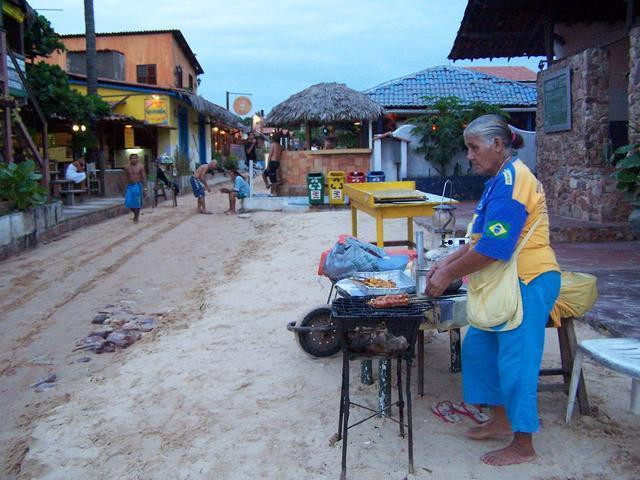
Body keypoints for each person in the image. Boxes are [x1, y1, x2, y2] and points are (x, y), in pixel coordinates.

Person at [425, 114, 560, 466]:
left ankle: (523, 443)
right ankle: (500, 419)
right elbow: (476, 241)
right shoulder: (497, 182)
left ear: (498, 145)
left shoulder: (514, 181)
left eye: (474, 147)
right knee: (480, 349)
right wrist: (444, 265)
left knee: (517, 361)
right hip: (504, 279)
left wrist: (448, 274)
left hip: (527, 279)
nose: (469, 155)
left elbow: (494, 249)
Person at [123, 154, 147, 223]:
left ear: (137, 159)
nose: (133, 160)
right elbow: (125, 178)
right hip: (130, 186)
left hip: (137, 185)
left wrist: (145, 188)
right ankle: (135, 214)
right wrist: (123, 188)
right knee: (128, 202)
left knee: (137, 202)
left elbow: (144, 177)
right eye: (132, 158)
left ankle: (136, 217)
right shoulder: (127, 167)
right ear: (129, 159)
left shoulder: (141, 167)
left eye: (135, 158)